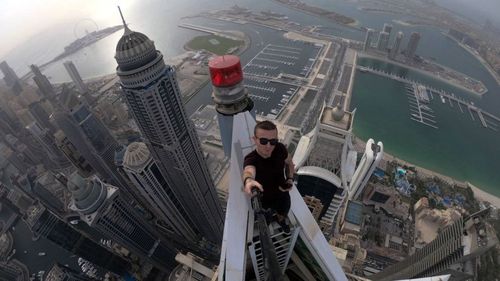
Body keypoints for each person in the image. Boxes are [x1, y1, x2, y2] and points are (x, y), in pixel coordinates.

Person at [242, 120, 295, 233]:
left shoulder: (280, 148)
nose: (268, 146)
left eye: (273, 141)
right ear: (255, 140)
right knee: (266, 220)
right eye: (263, 141)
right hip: (263, 201)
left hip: (282, 194)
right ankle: (269, 221)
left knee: (283, 213)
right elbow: (248, 171)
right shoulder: (251, 159)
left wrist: (290, 178)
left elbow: (290, 163)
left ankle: (281, 221)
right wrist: (248, 180)